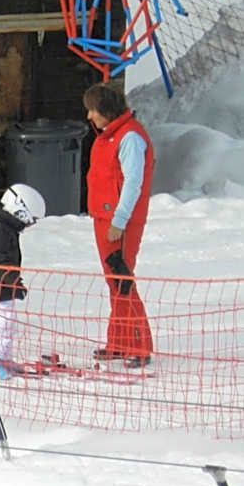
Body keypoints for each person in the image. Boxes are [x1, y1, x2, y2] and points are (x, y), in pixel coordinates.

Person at [84, 82, 155, 368]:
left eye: (93, 110)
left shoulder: (130, 138)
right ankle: (119, 342)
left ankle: (139, 345)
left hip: (119, 223)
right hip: (105, 219)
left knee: (122, 279)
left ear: (107, 110)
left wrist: (119, 220)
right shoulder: (109, 135)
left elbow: (133, 183)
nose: (89, 116)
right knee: (114, 282)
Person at [0, 183, 46, 379]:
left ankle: (1, 357)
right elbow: (1, 262)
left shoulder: (5, 227)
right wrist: (15, 283)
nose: (32, 223)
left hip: (0, 285)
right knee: (0, 322)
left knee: (7, 322)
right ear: (21, 210)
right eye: (32, 219)